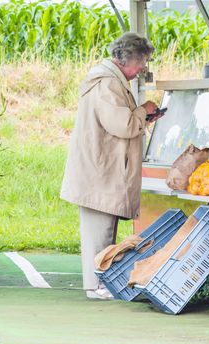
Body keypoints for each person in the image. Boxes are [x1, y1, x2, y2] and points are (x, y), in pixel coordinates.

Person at [60, 32, 163, 300]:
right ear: (130, 59)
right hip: (99, 171)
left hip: (99, 169)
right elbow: (123, 124)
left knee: (104, 228)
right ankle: (96, 285)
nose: (142, 70)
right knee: (100, 231)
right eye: (142, 64)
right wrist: (143, 110)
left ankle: (100, 282)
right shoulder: (107, 84)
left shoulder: (108, 80)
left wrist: (141, 115)